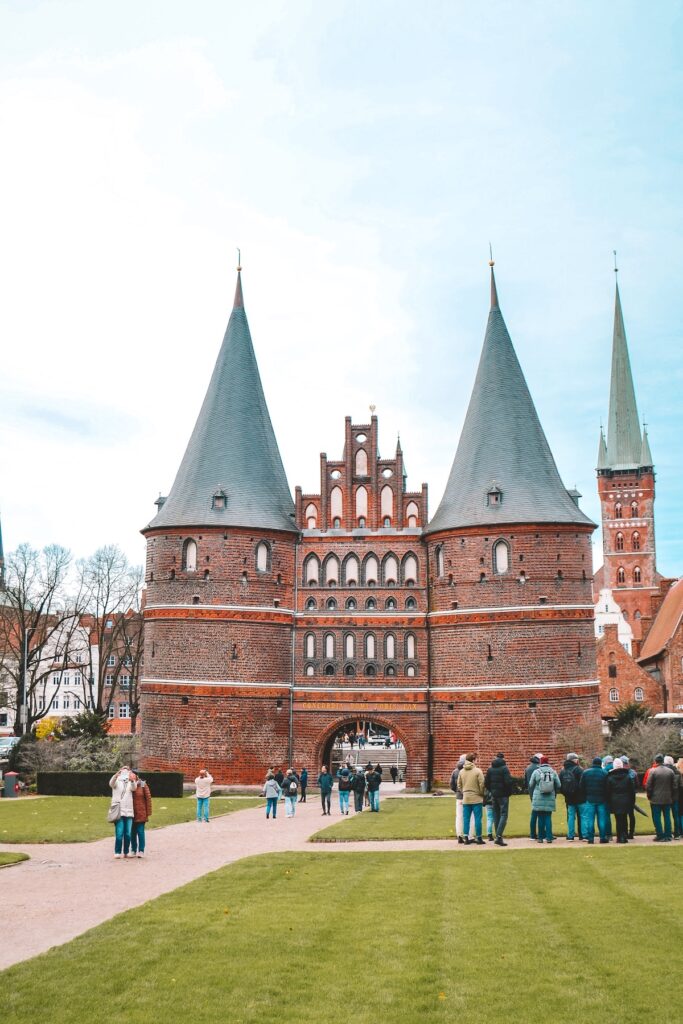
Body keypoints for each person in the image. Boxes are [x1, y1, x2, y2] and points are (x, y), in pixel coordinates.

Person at [528, 756, 561, 843]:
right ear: (548, 762)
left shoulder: (536, 771)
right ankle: (549, 837)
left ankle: (540, 838)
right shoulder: (553, 771)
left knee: (540, 818)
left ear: (540, 762)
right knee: (548, 817)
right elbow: (559, 785)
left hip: (538, 797)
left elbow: (530, 784)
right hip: (550, 797)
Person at [484, 752, 513, 846]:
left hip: (494, 795)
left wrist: (492, 790)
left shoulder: (490, 769)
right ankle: (499, 836)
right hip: (503, 795)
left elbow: (486, 783)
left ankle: (498, 836)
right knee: (504, 814)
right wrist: (508, 792)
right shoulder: (504, 769)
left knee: (496, 815)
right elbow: (508, 782)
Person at [457, 753, 485, 845]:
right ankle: (479, 838)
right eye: (476, 759)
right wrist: (481, 793)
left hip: (466, 798)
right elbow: (482, 784)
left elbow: (459, 785)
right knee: (477, 819)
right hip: (477, 798)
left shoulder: (461, 771)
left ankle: (466, 838)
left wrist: (464, 792)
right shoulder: (478, 771)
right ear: (473, 760)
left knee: (466, 819)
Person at [605, 758, 636, 843]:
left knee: (618, 819)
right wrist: (632, 801)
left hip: (615, 800)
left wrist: (608, 801)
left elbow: (607, 791)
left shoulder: (610, 777)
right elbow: (632, 791)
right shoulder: (627, 777)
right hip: (626, 800)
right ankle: (624, 836)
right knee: (624, 818)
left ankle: (619, 837)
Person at [579, 757, 609, 844]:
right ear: (600, 764)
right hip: (601, 799)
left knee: (590, 820)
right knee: (602, 820)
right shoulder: (604, 773)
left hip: (589, 798)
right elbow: (607, 787)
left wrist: (586, 795)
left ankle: (591, 838)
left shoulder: (586, 772)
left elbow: (581, 786)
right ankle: (602, 837)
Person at [646, 754, 675, 841]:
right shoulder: (670, 771)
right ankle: (668, 835)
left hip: (655, 799)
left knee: (657, 817)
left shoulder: (653, 771)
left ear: (656, 761)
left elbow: (648, 785)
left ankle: (660, 835)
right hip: (667, 798)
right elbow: (674, 786)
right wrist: (671, 795)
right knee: (667, 817)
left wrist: (649, 795)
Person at [109, 766, 136, 859]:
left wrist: (132, 780)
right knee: (119, 833)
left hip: (129, 811)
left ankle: (126, 852)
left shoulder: (130, 782)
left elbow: (134, 788)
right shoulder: (117, 781)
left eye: (127, 770)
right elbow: (111, 783)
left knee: (128, 833)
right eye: (123, 769)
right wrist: (116, 775)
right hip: (119, 811)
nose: (125, 771)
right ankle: (117, 851)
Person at [559, 753, 584, 841]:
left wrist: (565, 793)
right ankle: (582, 835)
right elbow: (582, 784)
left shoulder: (563, 770)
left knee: (570, 817)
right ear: (575, 760)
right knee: (581, 816)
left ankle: (570, 835)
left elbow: (560, 785)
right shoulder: (579, 770)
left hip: (569, 798)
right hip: (580, 797)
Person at [450, 754, 473, 844]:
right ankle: (470, 836)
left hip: (459, 797)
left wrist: (457, 791)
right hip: (469, 796)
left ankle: (459, 835)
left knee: (459, 816)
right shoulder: (470, 770)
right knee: (470, 817)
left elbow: (451, 785)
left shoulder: (455, 771)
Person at [129, 772, 152, 858]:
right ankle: (133, 850)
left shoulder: (142, 784)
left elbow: (148, 798)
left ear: (136, 776)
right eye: (129, 775)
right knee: (132, 833)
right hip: (131, 813)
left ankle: (141, 850)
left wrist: (148, 812)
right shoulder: (129, 785)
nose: (130, 776)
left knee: (140, 832)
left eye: (132, 775)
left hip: (141, 813)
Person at [620, 755, 639, 839]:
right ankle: (630, 832)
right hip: (631, 796)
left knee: (626, 815)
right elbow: (637, 785)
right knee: (630, 815)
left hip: (625, 796)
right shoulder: (633, 773)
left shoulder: (621, 773)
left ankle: (627, 832)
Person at [524, 754, 541, 839]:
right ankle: (543, 833)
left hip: (531, 793)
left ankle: (532, 834)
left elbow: (526, 783)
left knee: (534, 813)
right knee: (541, 814)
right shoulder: (539, 768)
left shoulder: (527, 768)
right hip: (539, 793)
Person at [664, 756, 681, 838]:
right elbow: (679, 785)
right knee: (676, 815)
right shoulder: (677, 772)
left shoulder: (664, 771)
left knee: (666, 815)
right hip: (675, 796)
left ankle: (668, 833)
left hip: (666, 796)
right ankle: (677, 833)